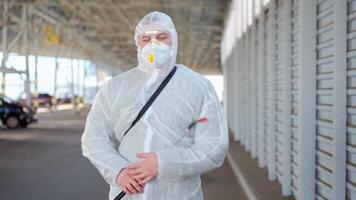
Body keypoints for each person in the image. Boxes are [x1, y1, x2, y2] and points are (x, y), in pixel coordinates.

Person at [81, 11, 229, 200]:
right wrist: (118, 172)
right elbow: (94, 140)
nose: (153, 44)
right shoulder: (114, 88)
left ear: (173, 41)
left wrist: (164, 164)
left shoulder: (198, 87)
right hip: (129, 194)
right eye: (146, 38)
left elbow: (214, 145)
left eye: (161, 37)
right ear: (138, 43)